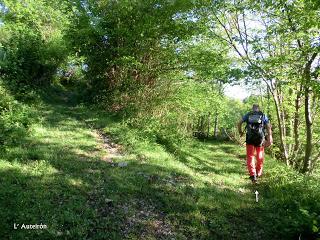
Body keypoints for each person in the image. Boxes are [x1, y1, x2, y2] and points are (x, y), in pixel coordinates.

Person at [237, 104, 273, 183]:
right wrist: (270, 137)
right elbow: (268, 126)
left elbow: (239, 123)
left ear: (252, 109)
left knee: (250, 156)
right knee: (259, 156)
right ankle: (258, 173)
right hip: (260, 138)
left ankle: (253, 175)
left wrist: (240, 132)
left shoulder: (248, 115)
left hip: (249, 138)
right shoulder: (263, 115)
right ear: (258, 109)